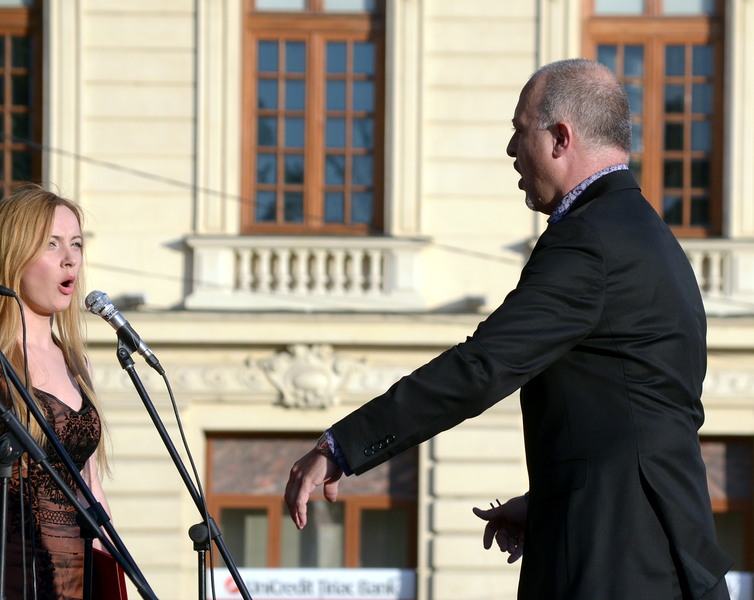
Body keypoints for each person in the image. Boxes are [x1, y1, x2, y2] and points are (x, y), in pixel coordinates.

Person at [284, 58, 732, 599]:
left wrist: (340, 447)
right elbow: (641, 421)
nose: (511, 149)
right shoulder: (649, 236)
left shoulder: (589, 240)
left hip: (615, 563)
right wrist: (553, 500)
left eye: (520, 131)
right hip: (661, 551)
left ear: (560, 138)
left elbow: (482, 366)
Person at [0, 184, 112, 600]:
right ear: (15, 254)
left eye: (76, 244)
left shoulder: (78, 364)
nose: (70, 258)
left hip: (78, 576)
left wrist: (113, 565)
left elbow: (91, 484)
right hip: (13, 575)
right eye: (52, 244)